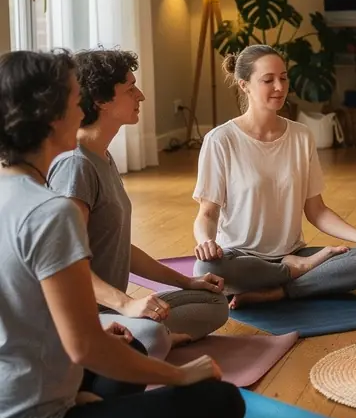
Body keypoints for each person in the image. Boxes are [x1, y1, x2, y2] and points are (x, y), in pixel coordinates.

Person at [0, 50, 244, 418]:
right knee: (220, 401)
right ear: (49, 116)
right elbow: (84, 347)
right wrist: (180, 375)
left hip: (21, 408)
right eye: (74, 100)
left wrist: (75, 389)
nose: (81, 110)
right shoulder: (50, 211)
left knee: (125, 343)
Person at [48, 49, 229, 359]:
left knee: (215, 302)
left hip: (113, 309)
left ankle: (150, 341)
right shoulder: (75, 166)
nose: (141, 96)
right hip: (79, 318)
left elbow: (118, 247)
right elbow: (64, 262)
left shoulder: (102, 156)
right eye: (130, 89)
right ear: (101, 101)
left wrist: (187, 281)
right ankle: (150, 341)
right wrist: (127, 303)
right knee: (151, 334)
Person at [193, 45, 356, 306]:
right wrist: (206, 243)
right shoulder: (221, 140)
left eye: (283, 77)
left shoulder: (301, 136)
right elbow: (208, 214)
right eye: (268, 80)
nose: (279, 87)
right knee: (206, 268)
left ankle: (279, 290)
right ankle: (293, 274)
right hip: (240, 258)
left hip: (293, 253)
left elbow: (316, 211)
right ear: (244, 85)